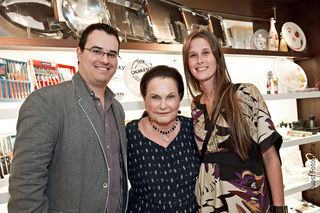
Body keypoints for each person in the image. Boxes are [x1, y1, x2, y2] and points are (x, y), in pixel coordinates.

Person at [8, 23, 128, 213]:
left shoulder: (117, 109)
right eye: (97, 51)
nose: (105, 59)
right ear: (79, 53)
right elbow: (25, 186)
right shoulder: (46, 101)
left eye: (112, 54)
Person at [182, 29, 287, 213]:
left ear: (217, 57)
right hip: (209, 202)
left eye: (206, 52)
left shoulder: (246, 94)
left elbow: (270, 157)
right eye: (193, 55)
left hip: (248, 200)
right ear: (187, 63)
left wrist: (280, 209)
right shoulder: (195, 106)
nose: (200, 60)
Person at [126, 65, 200, 212]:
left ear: (180, 97)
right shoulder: (129, 134)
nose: (163, 106)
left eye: (170, 97)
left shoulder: (193, 129)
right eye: (155, 97)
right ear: (144, 97)